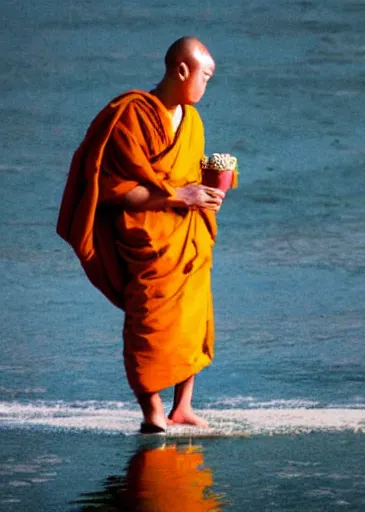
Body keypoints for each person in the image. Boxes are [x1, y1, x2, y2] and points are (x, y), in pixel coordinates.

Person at [56, 36, 225, 432]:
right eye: (206, 75)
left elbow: (187, 176)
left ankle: (182, 406)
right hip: (147, 236)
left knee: (193, 317)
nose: (206, 84)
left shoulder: (194, 121)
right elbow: (114, 188)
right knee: (146, 319)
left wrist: (211, 190)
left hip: (187, 234)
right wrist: (176, 195)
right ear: (182, 70)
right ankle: (151, 410)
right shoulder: (131, 115)